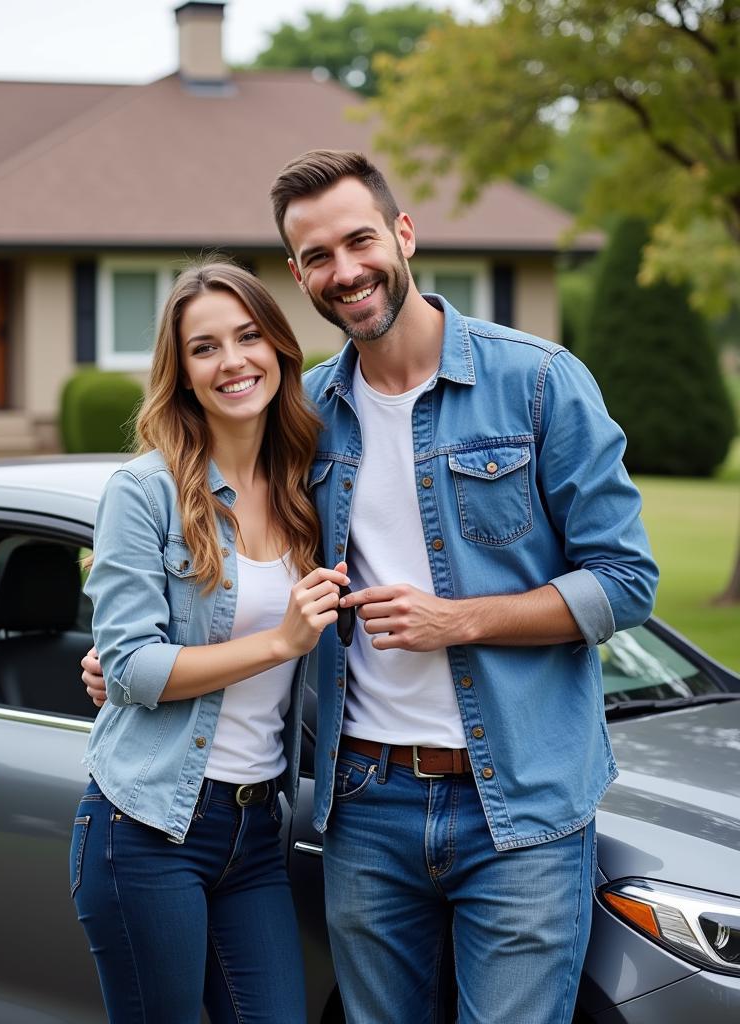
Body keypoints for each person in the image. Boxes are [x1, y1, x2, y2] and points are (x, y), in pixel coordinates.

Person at [85, 150, 658, 1024]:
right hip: (364, 807)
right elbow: (219, 564)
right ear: (298, 274)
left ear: (403, 233)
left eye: (359, 241)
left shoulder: (537, 382)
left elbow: (625, 584)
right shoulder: (306, 417)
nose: (345, 271)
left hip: (524, 806)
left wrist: (456, 620)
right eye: (319, 256)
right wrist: (124, 664)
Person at [72, 260, 348, 1024]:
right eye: (205, 347)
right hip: (149, 827)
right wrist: (279, 642)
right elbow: (130, 665)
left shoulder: (308, 488)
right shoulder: (145, 493)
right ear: (183, 373)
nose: (232, 362)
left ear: (280, 350)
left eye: (249, 336)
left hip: (260, 831)